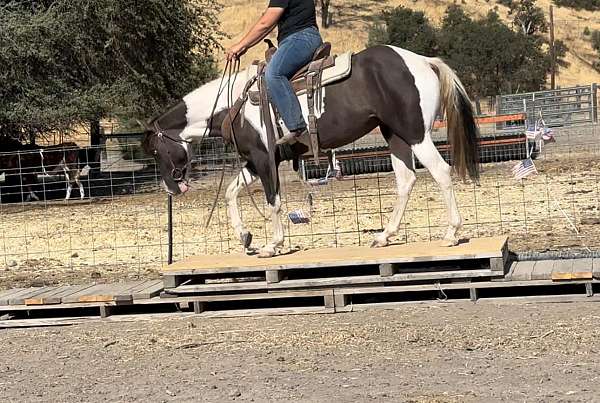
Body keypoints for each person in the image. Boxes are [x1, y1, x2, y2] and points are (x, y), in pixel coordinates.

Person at [226, 0, 323, 145]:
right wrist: (246, 46)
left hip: (300, 38)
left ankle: (297, 127)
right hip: (303, 37)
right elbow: (267, 27)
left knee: (273, 74)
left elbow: (266, 23)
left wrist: (239, 46)